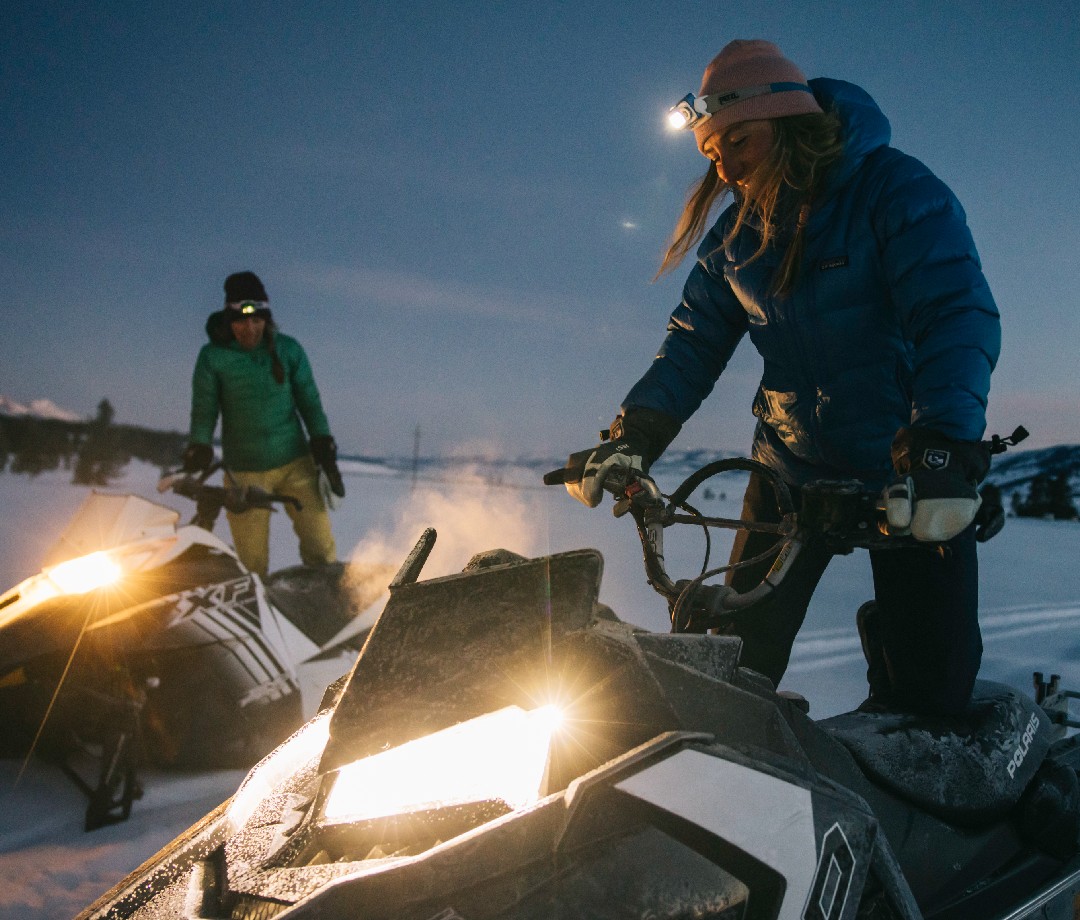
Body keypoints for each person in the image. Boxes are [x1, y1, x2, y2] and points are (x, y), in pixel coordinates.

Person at [554, 40, 1001, 717]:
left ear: (789, 121)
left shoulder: (894, 191)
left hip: (908, 472)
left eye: (741, 141)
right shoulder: (737, 239)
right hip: (789, 468)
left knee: (932, 696)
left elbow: (954, 312)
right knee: (725, 673)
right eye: (713, 153)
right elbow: (691, 344)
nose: (728, 166)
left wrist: (944, 439)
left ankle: (897, 658)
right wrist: (635, 433)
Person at [182, 270, 346, 577]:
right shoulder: (213, 358)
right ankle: (260, 620)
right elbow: (204, 408)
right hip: (244, 473)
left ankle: (326, 609)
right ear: (229, 320)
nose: (250, 328)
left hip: (296, 465)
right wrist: (199, 444)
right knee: (251, 565)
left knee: (321, 548)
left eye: (257, 320)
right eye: (242, 320)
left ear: (266, 319)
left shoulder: (289, 350)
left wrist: (322, 440)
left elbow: (309, 400)